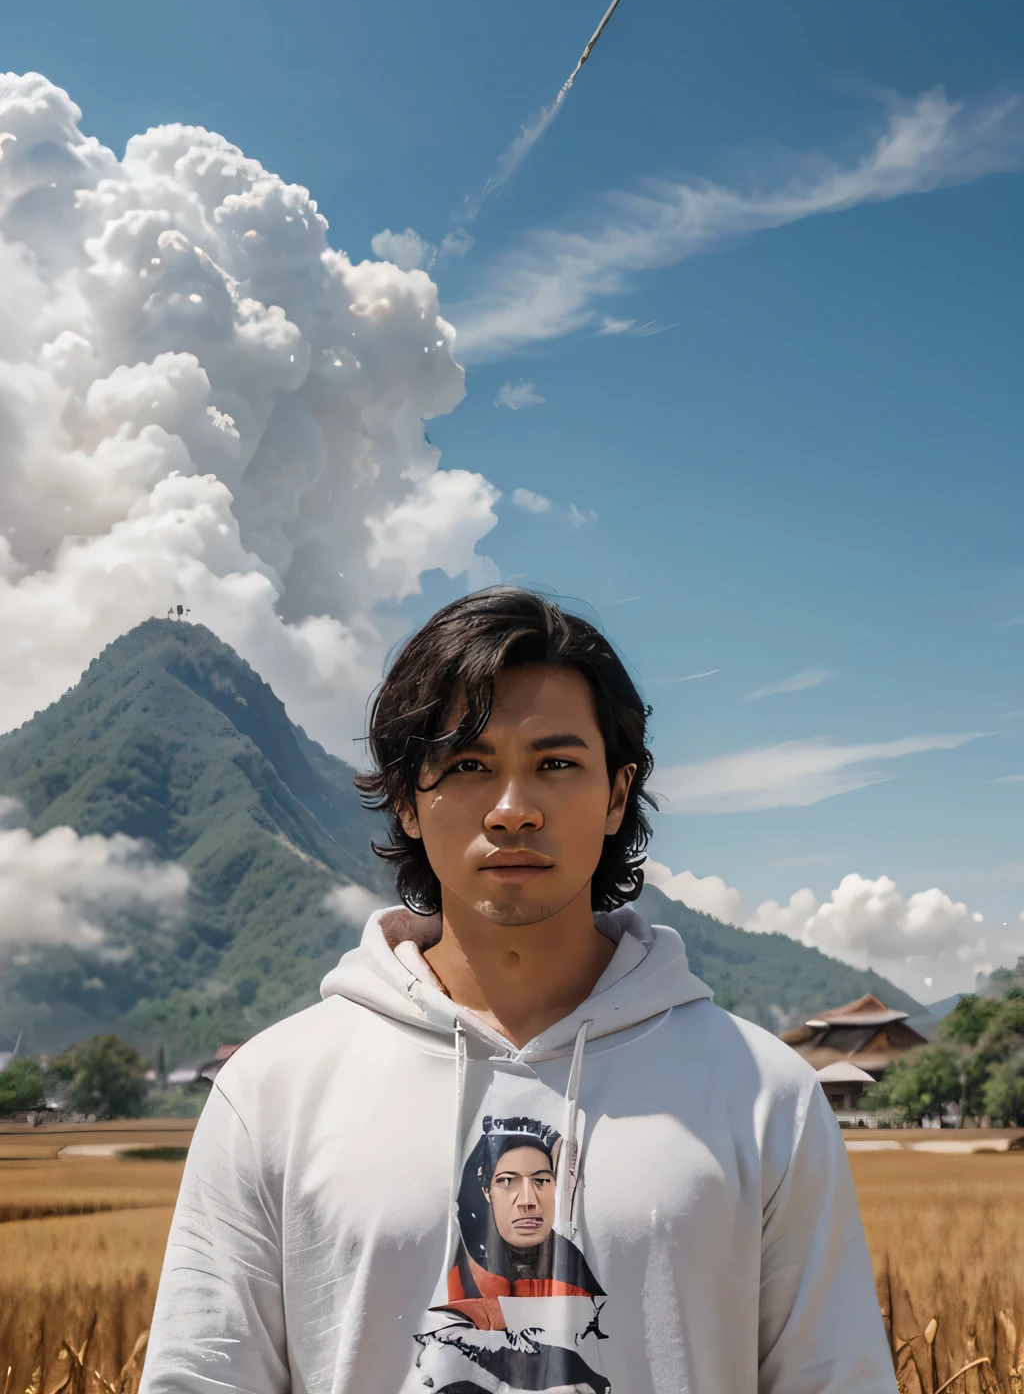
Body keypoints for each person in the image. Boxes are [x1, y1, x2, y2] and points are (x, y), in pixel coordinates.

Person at [140, 587, 897, 1394]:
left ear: (615, 793)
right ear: (406, 797)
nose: (512, 811)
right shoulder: (274, 1092)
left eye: (556, 764)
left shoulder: (761, 1096)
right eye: (468, 766)